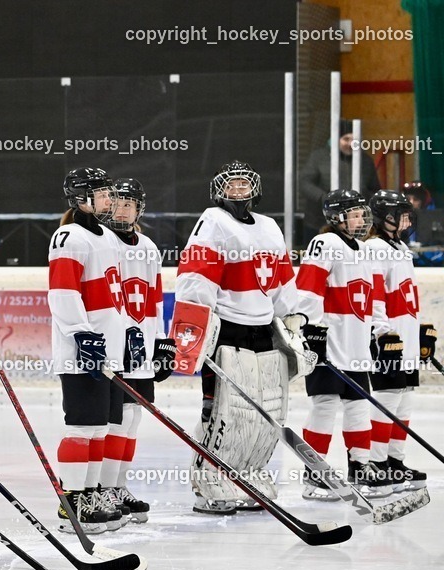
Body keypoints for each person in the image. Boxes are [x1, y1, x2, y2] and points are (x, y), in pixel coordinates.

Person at [172, 161, 311, 514]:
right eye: (231, 185)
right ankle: (210, 479)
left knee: (267, 409)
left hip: (264, 329)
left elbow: (281, 279)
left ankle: (250, 474)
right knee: (225, 409)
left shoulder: (269, 226)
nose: (238, 191)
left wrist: (292, 322)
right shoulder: (213, 221)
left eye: (243, 185)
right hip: (227, 328)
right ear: (220, 190)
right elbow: (195, 276)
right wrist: (193, 328)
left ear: (255, 190)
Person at [296, 189, 393, 498]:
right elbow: (308, 289)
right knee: (325, 405)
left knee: (358, 405)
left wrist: (380, 331)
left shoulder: (366, 250)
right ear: (336, 217)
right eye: (354, 214)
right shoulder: (325, 243)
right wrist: (309, 330)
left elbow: (375, 297)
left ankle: (360, 466)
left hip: (357, 345)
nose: (361, 219)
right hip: (329, 342)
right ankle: (315, 472)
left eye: (362, 213)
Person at [46, 167, 125, 533]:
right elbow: (63, 292)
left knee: (100, 428)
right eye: (103, 193)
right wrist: (81, 333)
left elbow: (114, 295)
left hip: (107, 348)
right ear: (81, 198)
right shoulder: (68, 236)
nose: (110, 199)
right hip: (81, 350)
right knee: (81, 426)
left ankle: (90, 493)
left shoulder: (107, 236)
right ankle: (72, 501)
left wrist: (129, 334)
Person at [96, 178, 175, 525]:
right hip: (115, 346)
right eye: (118, 203)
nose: (123, 209)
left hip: (141, 348)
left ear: (139, 210)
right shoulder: (99, 243)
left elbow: (155, 300)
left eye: (130, 204)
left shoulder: (148, 247)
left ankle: (120, 485)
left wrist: (161, 340)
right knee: (116, 419)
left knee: (133, 418)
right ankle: (104, 487)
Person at [365, 190, 432, 491]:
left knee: (404, 402)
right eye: (400, 212)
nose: (407, 217)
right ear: (386, 217)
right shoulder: (374, 248)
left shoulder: (401, 248)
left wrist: (418, 329)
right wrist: (382, 332)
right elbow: (375, 295)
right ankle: (377, 463)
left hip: (405, 336)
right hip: (389, 338)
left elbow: (406, 295)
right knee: (387, 400)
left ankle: (395, 462)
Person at [300, 121, 381, 238]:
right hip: (318, 222)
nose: (351, 143)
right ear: (335, 139)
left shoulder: (365, 161)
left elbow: (374, 189)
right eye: (346, 139)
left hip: (355, 227)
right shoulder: (319, 157)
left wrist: (363, 201)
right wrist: (324, 198)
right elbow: (305, 183)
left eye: (355, 140)